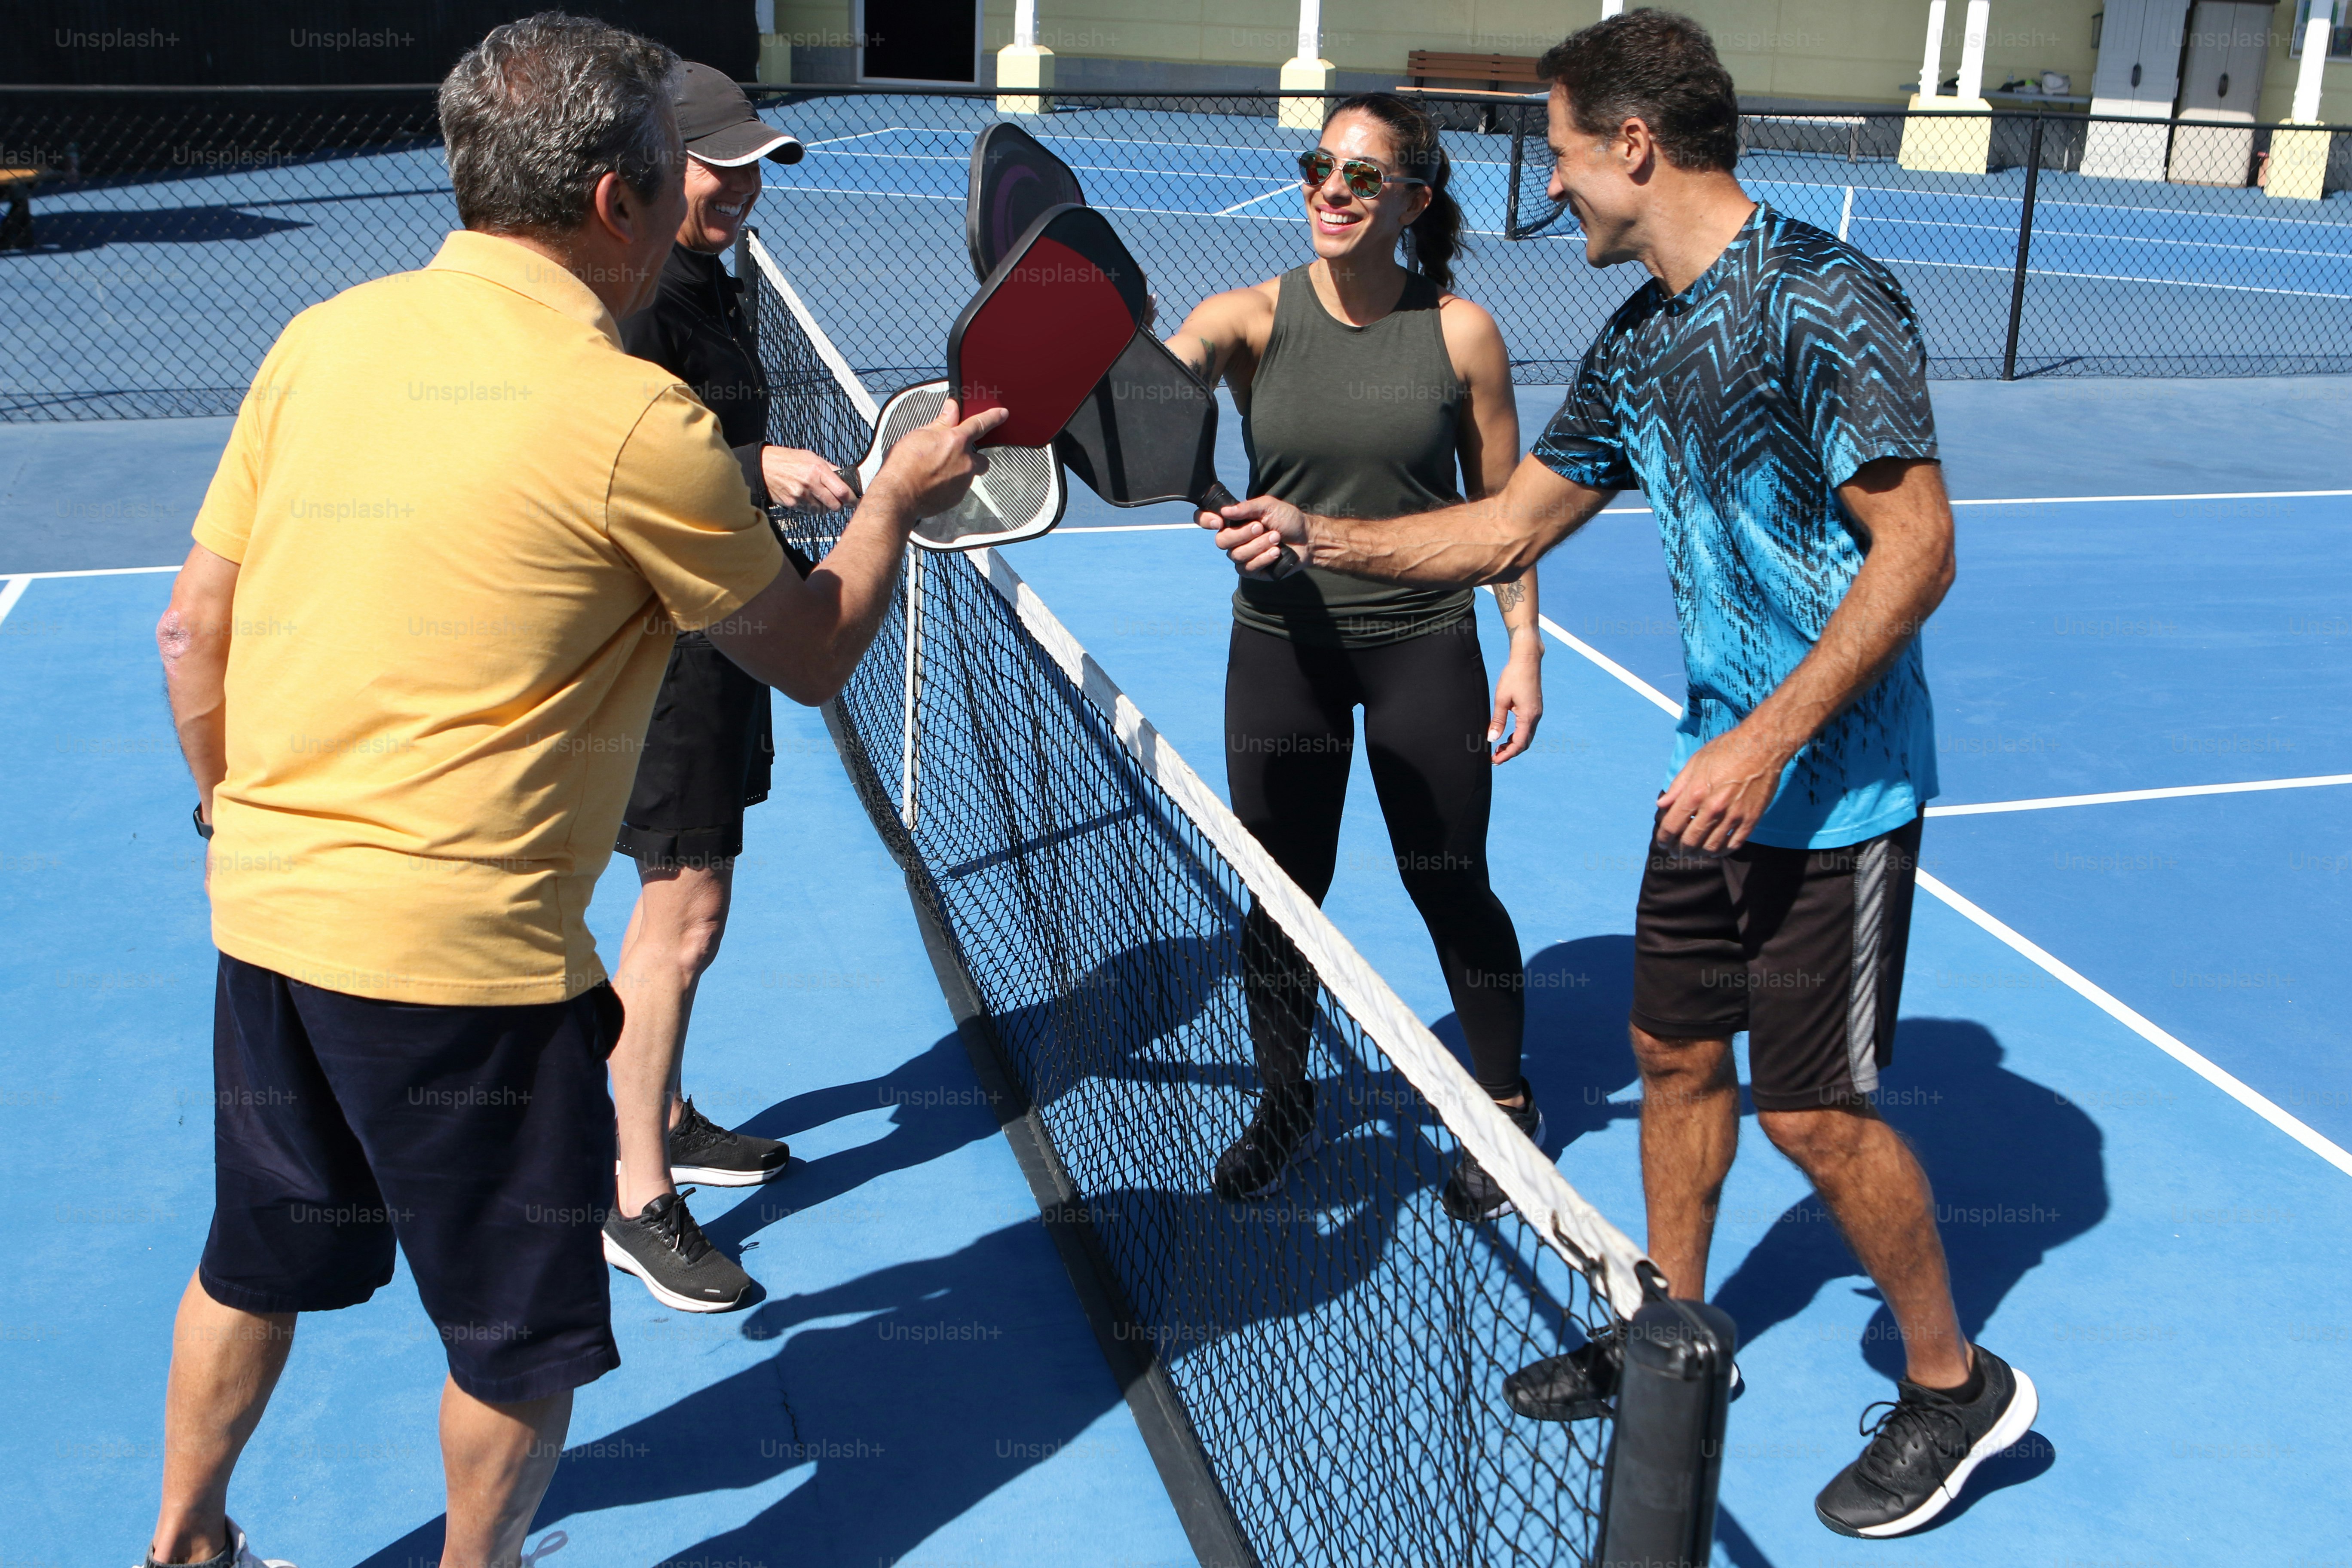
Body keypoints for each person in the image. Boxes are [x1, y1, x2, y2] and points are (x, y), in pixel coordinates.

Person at [143, 15, 999, 1568]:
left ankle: (185, 1544)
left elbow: (192, 632)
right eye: (678, 178)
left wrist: (228, 816)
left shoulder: (319, 336)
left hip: (265, 914)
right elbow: (808, 653)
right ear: (618, 201)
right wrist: (891, 500)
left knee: (254, 1261)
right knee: (517, 1343)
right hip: (465, 967)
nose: (694, 204)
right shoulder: (637, 426)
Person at [1204, 12, 2035, 1540]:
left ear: (1634, 149)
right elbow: (1505, 526)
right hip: (1711, 774)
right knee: (1668, 1056)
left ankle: (1952, 1385)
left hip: (1830, 788)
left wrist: (1766, 737)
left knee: (1813, 1115)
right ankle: (1674, 1341)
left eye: (1568, 157)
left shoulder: (1822, 301)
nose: (1558, 189)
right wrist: (1317, 536)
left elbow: (1918, 551)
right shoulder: (1645, 339)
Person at [1165, 92, 1546, 1219]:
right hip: (1282, 651)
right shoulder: (1244, 318)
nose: (1331, 190)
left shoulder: (1463, 334)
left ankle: (1507, 1111)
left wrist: (1523, 643)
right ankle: (1286, 1104)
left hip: (1425, 645)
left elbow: (1506, 510)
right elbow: (1158, 389)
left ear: (1413, 199)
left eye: (1362, 176)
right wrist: (1134, 373)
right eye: (1318, 166)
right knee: (1285, 896)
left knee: (1450, 882)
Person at [598, 62, 842, 1315]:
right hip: (676, 658)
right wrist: (762, 466)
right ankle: (637, 1200)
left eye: (753, 167)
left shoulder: (705, 279)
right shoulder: (643, 303)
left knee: (694, 916)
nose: (741, 187)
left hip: (726, 634)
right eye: (718, 165)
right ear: (655, 165)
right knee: (679, 923)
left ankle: (670, 1113)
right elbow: (630, 466)